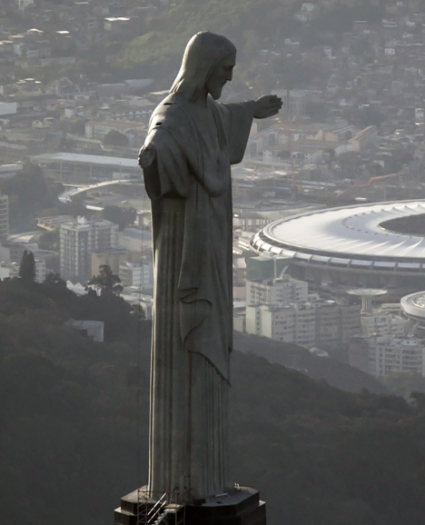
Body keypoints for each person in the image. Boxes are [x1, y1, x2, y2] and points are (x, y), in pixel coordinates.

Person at [138, 32, 281, 503]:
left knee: (211, 351)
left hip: (212, 244)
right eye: (224, 70)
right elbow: (161, 139)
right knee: (185, 352)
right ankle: (183, 485)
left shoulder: (207, 113)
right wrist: (153, 156)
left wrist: (251, 110)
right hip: (184, 248)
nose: (230, 77)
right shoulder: (173, 118)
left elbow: (222, 117)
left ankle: (209, 480)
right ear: (203, 69)